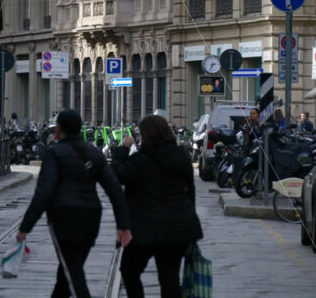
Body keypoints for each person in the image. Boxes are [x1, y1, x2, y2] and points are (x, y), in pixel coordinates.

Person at [17, 108, 131, 298]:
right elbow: (115, 190)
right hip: (91, 219)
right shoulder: (94, 153)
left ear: (58, 128)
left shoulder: (54, 153)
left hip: (64, 219)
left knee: (73, 272)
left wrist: (25, 227)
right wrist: (123, 225)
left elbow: (43, 194)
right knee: (67, 271)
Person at [112, 114, 202, 298]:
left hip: (145, 230)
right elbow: (190, 193)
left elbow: (117, 174)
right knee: (170, 278)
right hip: (177, 229)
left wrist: (122, 148)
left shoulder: (140, 160)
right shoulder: (182, 156)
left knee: (129, 271)